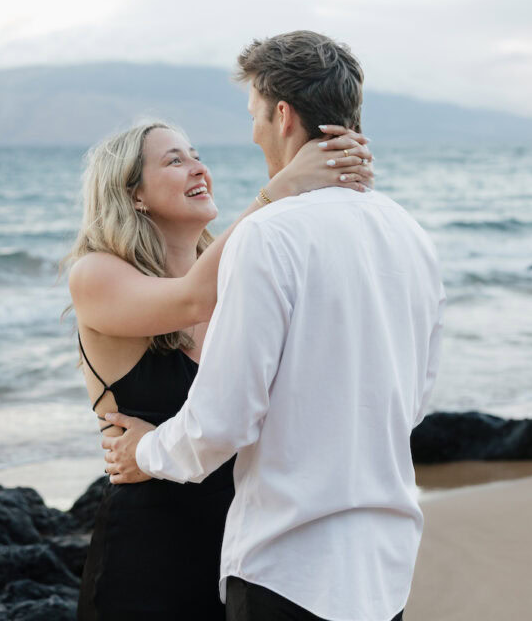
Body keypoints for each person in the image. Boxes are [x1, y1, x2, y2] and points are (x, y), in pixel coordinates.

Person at [103, 31, 447, 621]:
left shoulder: (269, 235)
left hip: (288, 571)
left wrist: (147, 452)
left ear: (282, 115)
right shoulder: (411, 234)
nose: (253, 131)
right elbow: (411, 401)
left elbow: (224, 418)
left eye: (254, 114)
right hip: (385, 568)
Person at [68, 114, 373, 620]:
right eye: (174, 160)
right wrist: (281, 190)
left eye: (197, 156)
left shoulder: (235, 281)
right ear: (134, 194)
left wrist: (344, 184)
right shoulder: (96, 275)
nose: (197, 169)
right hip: (148, 557)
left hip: (244, 549)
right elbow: (191, 298)